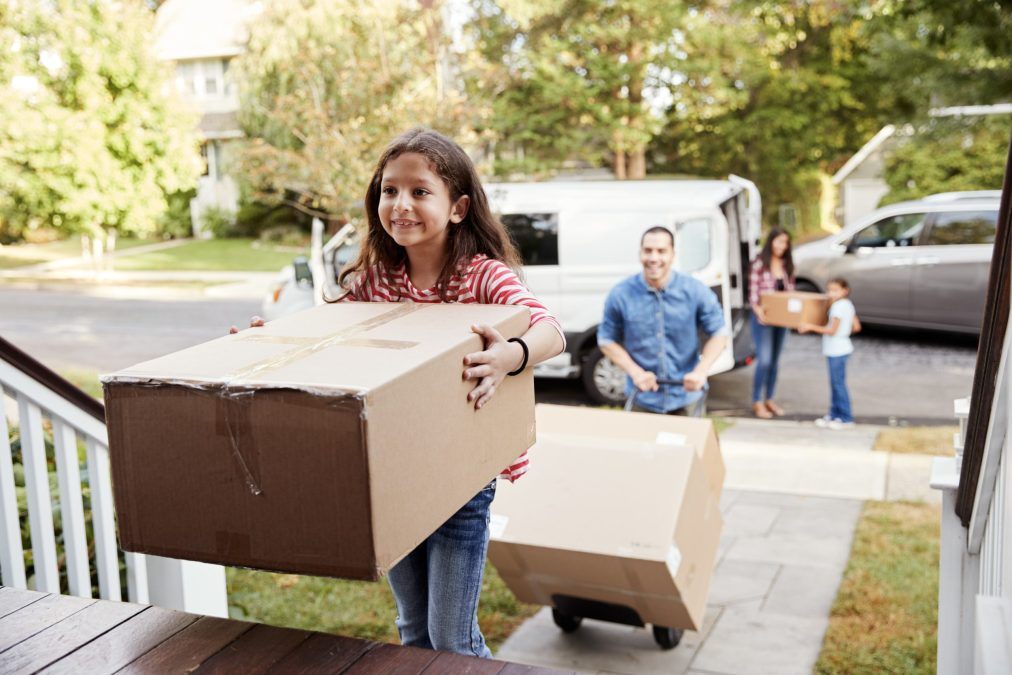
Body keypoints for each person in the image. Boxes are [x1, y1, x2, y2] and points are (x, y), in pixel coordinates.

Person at [234, 128, 565, 657]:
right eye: (389, 191)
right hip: (397, 473)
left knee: (451, 639)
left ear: (457, 208)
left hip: (462, 478)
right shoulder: (375, 281)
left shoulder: (482, 277)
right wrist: (264, 343)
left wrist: (511, 355)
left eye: (419, 191)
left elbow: (551, 329)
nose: (400, 204)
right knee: (412, 632)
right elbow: (323, 336)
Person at [597, 225, 728, 417]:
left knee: (689, 447)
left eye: (661, 251)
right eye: (648, 250)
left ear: (673, 254)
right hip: (642, 397)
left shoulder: (696, 291)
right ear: (640, 253)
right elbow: (606, 340)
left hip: (687, 398)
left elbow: (719, 333)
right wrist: (635, 372)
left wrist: (701, 371)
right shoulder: (620, 294)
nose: (653, 258)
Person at [799, 278, 860, 430]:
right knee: (836, 383)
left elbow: (832, 331)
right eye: (829, 290)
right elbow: (856, 326)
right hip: (843, 347)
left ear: (844, 290)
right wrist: (844, 331)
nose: (831, 293)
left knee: (838, 384)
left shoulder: (838, 307)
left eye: (835, 290)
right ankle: (834, 414)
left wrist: (810, 326)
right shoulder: (848, 305)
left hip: (836, 350)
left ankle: (845, 417)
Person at [749, 228, 795, 419]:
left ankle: (770, 398)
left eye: (785, 242)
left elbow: (791, 293)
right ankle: (757, 401)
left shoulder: (787, 265)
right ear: (771, 242)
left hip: (781, 320)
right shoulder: (760, 262)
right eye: (778, 242)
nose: (781, 246)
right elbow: (752, 294)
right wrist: (759, 311)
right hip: (763, 320)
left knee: (775, 362)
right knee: (765, 361)